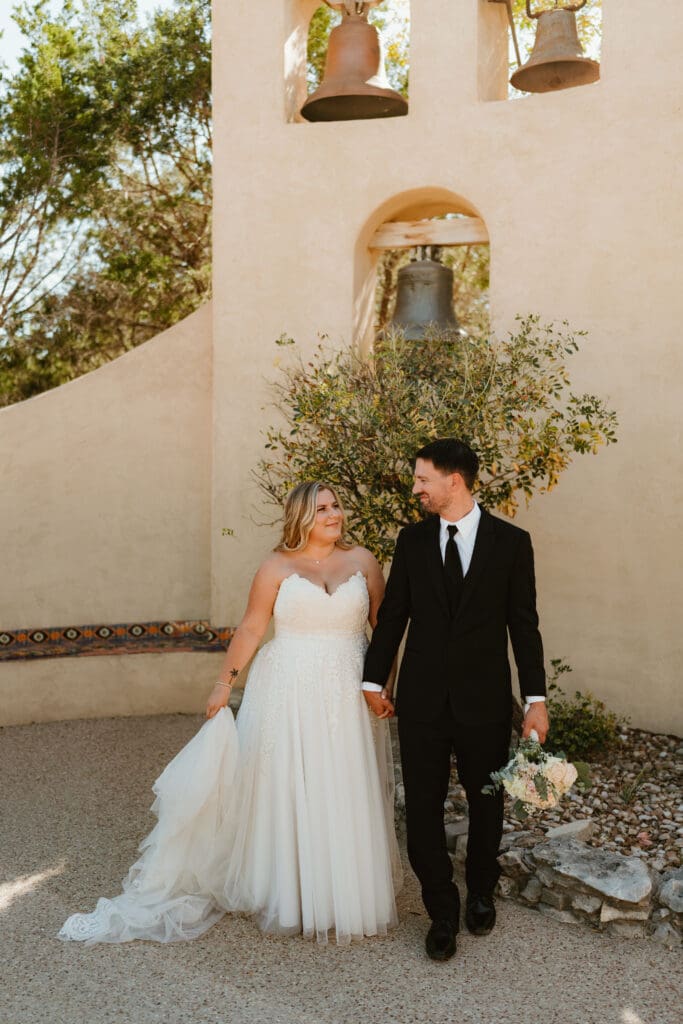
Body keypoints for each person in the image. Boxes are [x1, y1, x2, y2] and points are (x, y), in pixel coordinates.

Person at [59, 482, 401, 946]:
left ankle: (345, 891)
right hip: (288, 686)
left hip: (346, 686)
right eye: (321, 509)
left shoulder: (363, 561)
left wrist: (382, 683)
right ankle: (291, 892)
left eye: (336, 506)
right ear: (301, 516)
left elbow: (383, 628)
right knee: (288, 782)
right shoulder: (276, 565)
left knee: (342, 779)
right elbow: (252, 627)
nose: (333, 514)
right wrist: (224, 684)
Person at [362, 439, 549, 962]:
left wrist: (535, 699)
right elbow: (394, 614)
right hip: (421, 702)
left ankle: (482, 890)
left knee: (487, 801)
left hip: (484, 702)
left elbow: (524, 625)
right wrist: (373, 682)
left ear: (455, 481)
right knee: (421, 807)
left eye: (423, 479)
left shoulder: (512, 543)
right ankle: (441, 908)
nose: (416, 488)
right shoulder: (412, 541)